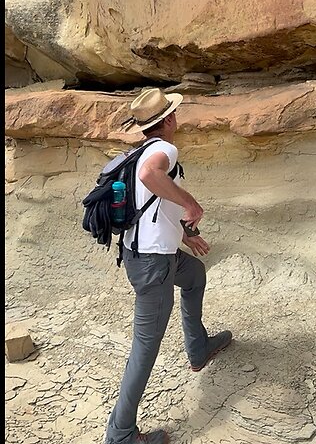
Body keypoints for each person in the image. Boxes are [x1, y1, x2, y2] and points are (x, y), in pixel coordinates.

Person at [103, 87, 233, 444]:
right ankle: (121, 434)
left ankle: (198, 347)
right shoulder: (163, 150)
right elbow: (150, 177)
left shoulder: (139, 151)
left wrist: (186, 233)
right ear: (170, 119)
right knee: (145, 345)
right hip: (152, 264)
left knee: (195, 275)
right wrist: (191, 204)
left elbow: (153, 210)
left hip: (147, 254)